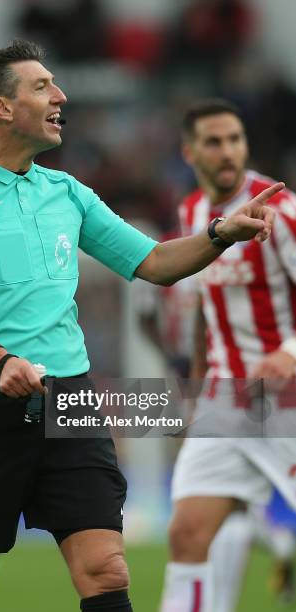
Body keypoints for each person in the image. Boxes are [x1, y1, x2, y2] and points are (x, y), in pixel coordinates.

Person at [0, 42, 280, 612]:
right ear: (2, 108)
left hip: (72, 402)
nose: (61, 96)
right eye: (42, 87)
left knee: (105, 569)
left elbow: (154, 262)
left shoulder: (67, 192)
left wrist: (221, 232)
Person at [159, 98, 296, 612]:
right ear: (189, 151)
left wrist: (288, 352)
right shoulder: (192, 212)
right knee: (188, 534)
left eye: (235, 139)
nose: (227, 151)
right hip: (225, 398)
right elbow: (204, 310)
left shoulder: (279, 209)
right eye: (214, 142)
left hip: (287, 399)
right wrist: (197, 386)